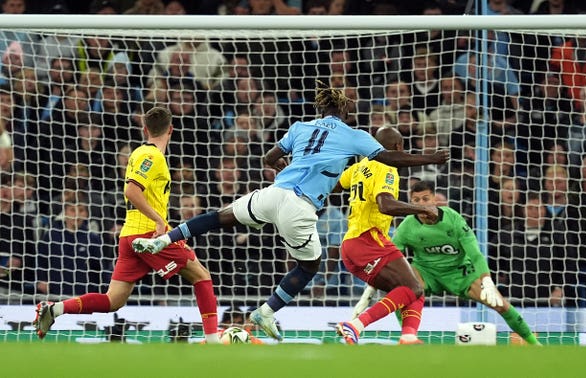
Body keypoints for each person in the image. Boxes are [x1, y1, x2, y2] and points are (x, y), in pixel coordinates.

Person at [133, 81, 449, 341]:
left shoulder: (299, 127)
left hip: (274, 193)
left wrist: (288, 166)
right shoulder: (354, 136)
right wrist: (430, 159)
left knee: (220, 215)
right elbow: (388, 159)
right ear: (342, 110)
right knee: (309, 266)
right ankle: (267, 312)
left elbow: (269, 157)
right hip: (300, 208)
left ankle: (163, 240)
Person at [33, 107, 221, 344]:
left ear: (145, 129)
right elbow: (131, 190)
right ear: (171, 130)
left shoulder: (139, 153)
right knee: (201, 276)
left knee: (114, 300)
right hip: (147, 233)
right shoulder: (151, 156)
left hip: (130, 234)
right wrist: (158, 220)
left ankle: (54, 309)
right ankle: (214, 342)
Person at [354, 180, 542, 345]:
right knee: (402, 288)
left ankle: (534, 344)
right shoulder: (407, 227)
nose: (421, 204)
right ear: (410, 203)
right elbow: (390, 260)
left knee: (500, 304)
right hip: (427, 273)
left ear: (435, 199)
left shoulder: (453, 219)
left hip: (460, 274)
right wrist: (369, 292)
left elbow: (475, 254)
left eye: (425, 199)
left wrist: (487, 281)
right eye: (416, 200)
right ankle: (408, 337)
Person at [334, 127, 440, 345]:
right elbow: (385, 204)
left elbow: (334, 186)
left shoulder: (359, 167)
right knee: (413, 287)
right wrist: (421, 209)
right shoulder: (387, 168)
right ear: (398, 148)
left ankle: (409, 336)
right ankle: (355, 325)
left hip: (351, 246)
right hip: (368, 239)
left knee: (413, 290)